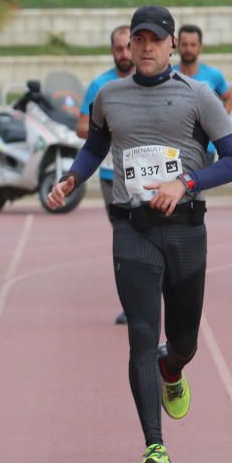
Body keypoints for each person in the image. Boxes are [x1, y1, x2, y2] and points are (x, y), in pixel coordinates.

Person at [46, 6, 232, 463]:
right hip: (132, 229)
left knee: (183, 342)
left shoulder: (199, 96)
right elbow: (95, 147)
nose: (147, 47)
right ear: (129, 46)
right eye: (139, 39)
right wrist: (72, 178)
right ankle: (155, 447)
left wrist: (187, 182)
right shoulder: (109, 97)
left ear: (172, 44)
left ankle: (171, 368)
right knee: (139, 332)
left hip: (184, 231)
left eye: (156, 39)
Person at [77, 25, 135, 325]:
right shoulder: (100, 85)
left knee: (154, 237)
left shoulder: (148, 81)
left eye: (128, 47)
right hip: (113, 175)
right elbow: (81, 127)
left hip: (148, 175)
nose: (124, 54)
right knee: (125, 239)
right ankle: (131, 302)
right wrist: (112, 126)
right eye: (118, 49)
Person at [174, 24, 232, 163]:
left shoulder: (213, 75)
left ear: (200, 47)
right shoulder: (169, 75)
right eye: (184, 44)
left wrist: (218, 122)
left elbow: (229, 99)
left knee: (199, 185)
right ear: (177, 46)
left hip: (206, 148)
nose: (188, 49)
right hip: (175, 149)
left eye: (193, 45)